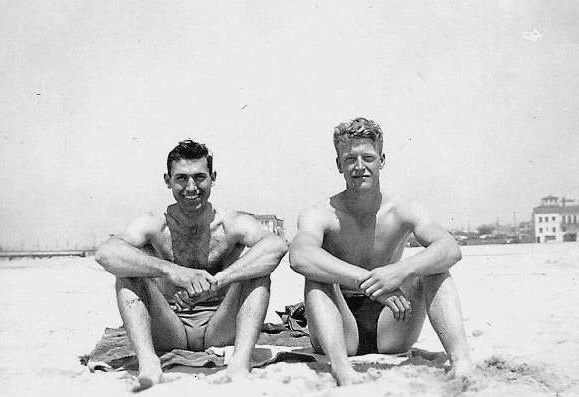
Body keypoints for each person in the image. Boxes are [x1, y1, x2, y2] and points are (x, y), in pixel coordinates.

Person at [289, 118, 472, 386]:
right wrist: (373, 283)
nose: (359, 167)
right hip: (339, 326)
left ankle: (461, 362)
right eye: (350, 159)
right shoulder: (320, 214)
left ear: (382, 160)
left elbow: (450, 249)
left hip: (394, 322)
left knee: (434, 266)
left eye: (368, 157)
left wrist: (399, 271)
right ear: (339, 164)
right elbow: (300, 256)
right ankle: (341, 370)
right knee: (316, 275)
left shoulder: (403, 209)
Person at [95, 139, 288, 389]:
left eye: (199, 177)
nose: (191, 187)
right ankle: (148, 363)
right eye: (181, 178)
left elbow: (276, 246)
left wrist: (219, 280)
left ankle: (239, 362)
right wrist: (172, 271)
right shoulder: (155, 223)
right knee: (127, 274)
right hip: (170, 326)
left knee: (257, 272)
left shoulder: (230, 223)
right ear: (167, 180)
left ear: (213, 177)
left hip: (220, 327)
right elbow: (106, 253)